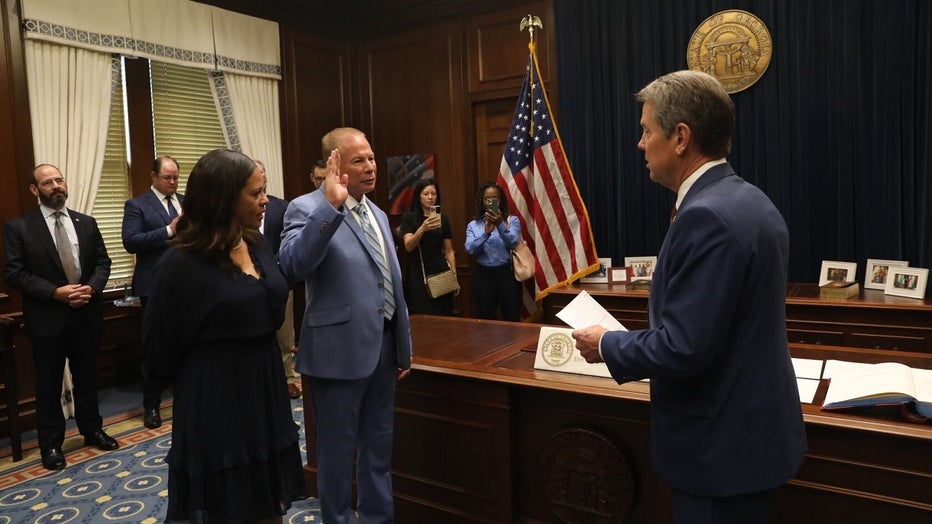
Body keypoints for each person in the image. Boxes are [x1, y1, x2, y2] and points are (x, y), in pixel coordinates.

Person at [572, 70, 807, 523]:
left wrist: (605, 343)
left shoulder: (708, 217)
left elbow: (684, 346)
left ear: (681, 137)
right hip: (748, 436)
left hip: (721, 450)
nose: (640, 143)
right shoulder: (750, 200)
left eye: (646, 130)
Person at [141, 149, 306, 522]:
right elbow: (158, 346)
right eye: (255, 193)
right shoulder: (180, 263)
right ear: (223, 197)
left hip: (264, 389)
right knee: (228, 507)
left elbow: (273, 303)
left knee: (268, 502)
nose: (265, 200)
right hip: (216, 398)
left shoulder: (257, 246)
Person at [279, 127, 412, 524]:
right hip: (337, 357)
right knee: (336, 458)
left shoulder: (379, 214)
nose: (371, 167)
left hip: (383, 350)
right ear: (333, 165)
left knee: (378, 451)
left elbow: (390, 280)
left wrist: (402, 342)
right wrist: (331, 208)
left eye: (371, 158)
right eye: (359, 160)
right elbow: (293, 266)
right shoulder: (306, 208)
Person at [3, 164, 119, 471]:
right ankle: (51, 444)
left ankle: (92, 429)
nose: (56, 186)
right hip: (47, 317)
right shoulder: (20, 228)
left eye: (59, 180)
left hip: (86, 313)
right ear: (35, 189)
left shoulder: (86, 222)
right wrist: (57, 293)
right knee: (48, 384)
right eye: (48, 182)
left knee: (87, 378)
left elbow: (103, 263)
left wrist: (90, 289)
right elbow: (15, 275)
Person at [121, 155, 183, 429]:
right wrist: (168, 230)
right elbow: (131, 241)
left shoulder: (186, 202)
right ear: (153, 177)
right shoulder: (137, 205)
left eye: (176, 178)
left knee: (186, 344)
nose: (172, 183)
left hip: (188, 284)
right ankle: (152, 405)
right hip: (154, 286)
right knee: (154, 348)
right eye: (167, 177)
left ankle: (186, 396)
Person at [254, 159, 301, 400]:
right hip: (250, 283)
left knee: (284, 334)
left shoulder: (281, 207)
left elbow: (289, 243)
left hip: (279, 279)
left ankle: (287, 377)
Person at [464, 181, 522, 321]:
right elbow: (469, 249)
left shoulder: (512, 221)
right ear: (482, 202)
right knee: (485, 318)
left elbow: (513, 242)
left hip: (506, 275)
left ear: (500, 200)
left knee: (512, 316)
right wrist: (485, 233)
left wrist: (500, 225)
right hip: (484, 276)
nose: (491, 202)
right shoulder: (474, 225)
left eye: (495, 198)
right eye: (487, 199)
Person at [400, 177, 457, 315]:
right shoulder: (410, 218)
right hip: (420, 274)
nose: (430, 197)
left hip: (441, 272)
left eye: (434, 194)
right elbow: (408, 246)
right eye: (426, 194)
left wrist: (454, 275)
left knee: (445, 316)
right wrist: (422, 228)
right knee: (425, 317)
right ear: (419, 196)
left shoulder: (443, 219)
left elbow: (449, 250)